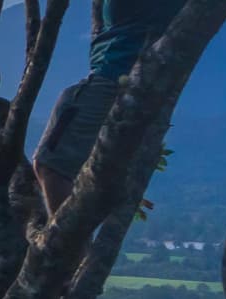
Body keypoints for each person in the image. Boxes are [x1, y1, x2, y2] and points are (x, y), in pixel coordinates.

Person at [32, 0, 188, 212]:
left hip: (115, 79)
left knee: (52, 165)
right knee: (77, 178)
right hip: (124, 80)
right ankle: (75, 242)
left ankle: (72, 245)